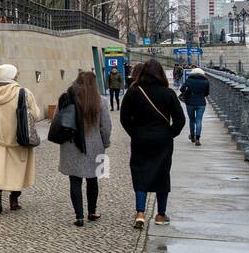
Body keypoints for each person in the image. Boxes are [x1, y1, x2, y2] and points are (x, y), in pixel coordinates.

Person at [121, 58, 185, 228]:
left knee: (140, 173)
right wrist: (169, 133)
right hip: (162, 139)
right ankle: (161, 214)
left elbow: (124, 118)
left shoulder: (133, 92)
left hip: (141, 138)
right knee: (162, 174)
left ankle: (140, 212)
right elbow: (180, 119)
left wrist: (134, 133)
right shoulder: (168, 93)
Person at [0, 64, 42, 215]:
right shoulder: (24, 93)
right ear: (12, 76)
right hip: (18, 139)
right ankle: (14, 199)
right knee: (17, 171)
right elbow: (36, 115)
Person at [55, 71, 112, 227]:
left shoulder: (66, 98)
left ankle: (79, 216)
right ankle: (92, 212)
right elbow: (106, 127)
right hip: (94, 146)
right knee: (93, 179)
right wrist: (105, 143)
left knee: (74, 180)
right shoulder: (101, 101)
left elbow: (57, 120)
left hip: (70, 145)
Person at [179, 67, 210, 145]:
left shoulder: (189, 80)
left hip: (190, 102)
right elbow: (207, 93)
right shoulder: (206, 81)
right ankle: (198, 139)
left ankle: (192, 136)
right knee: (199, 120)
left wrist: (188, 90)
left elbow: (182, 89)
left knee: (192, 120)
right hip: (201, 103)